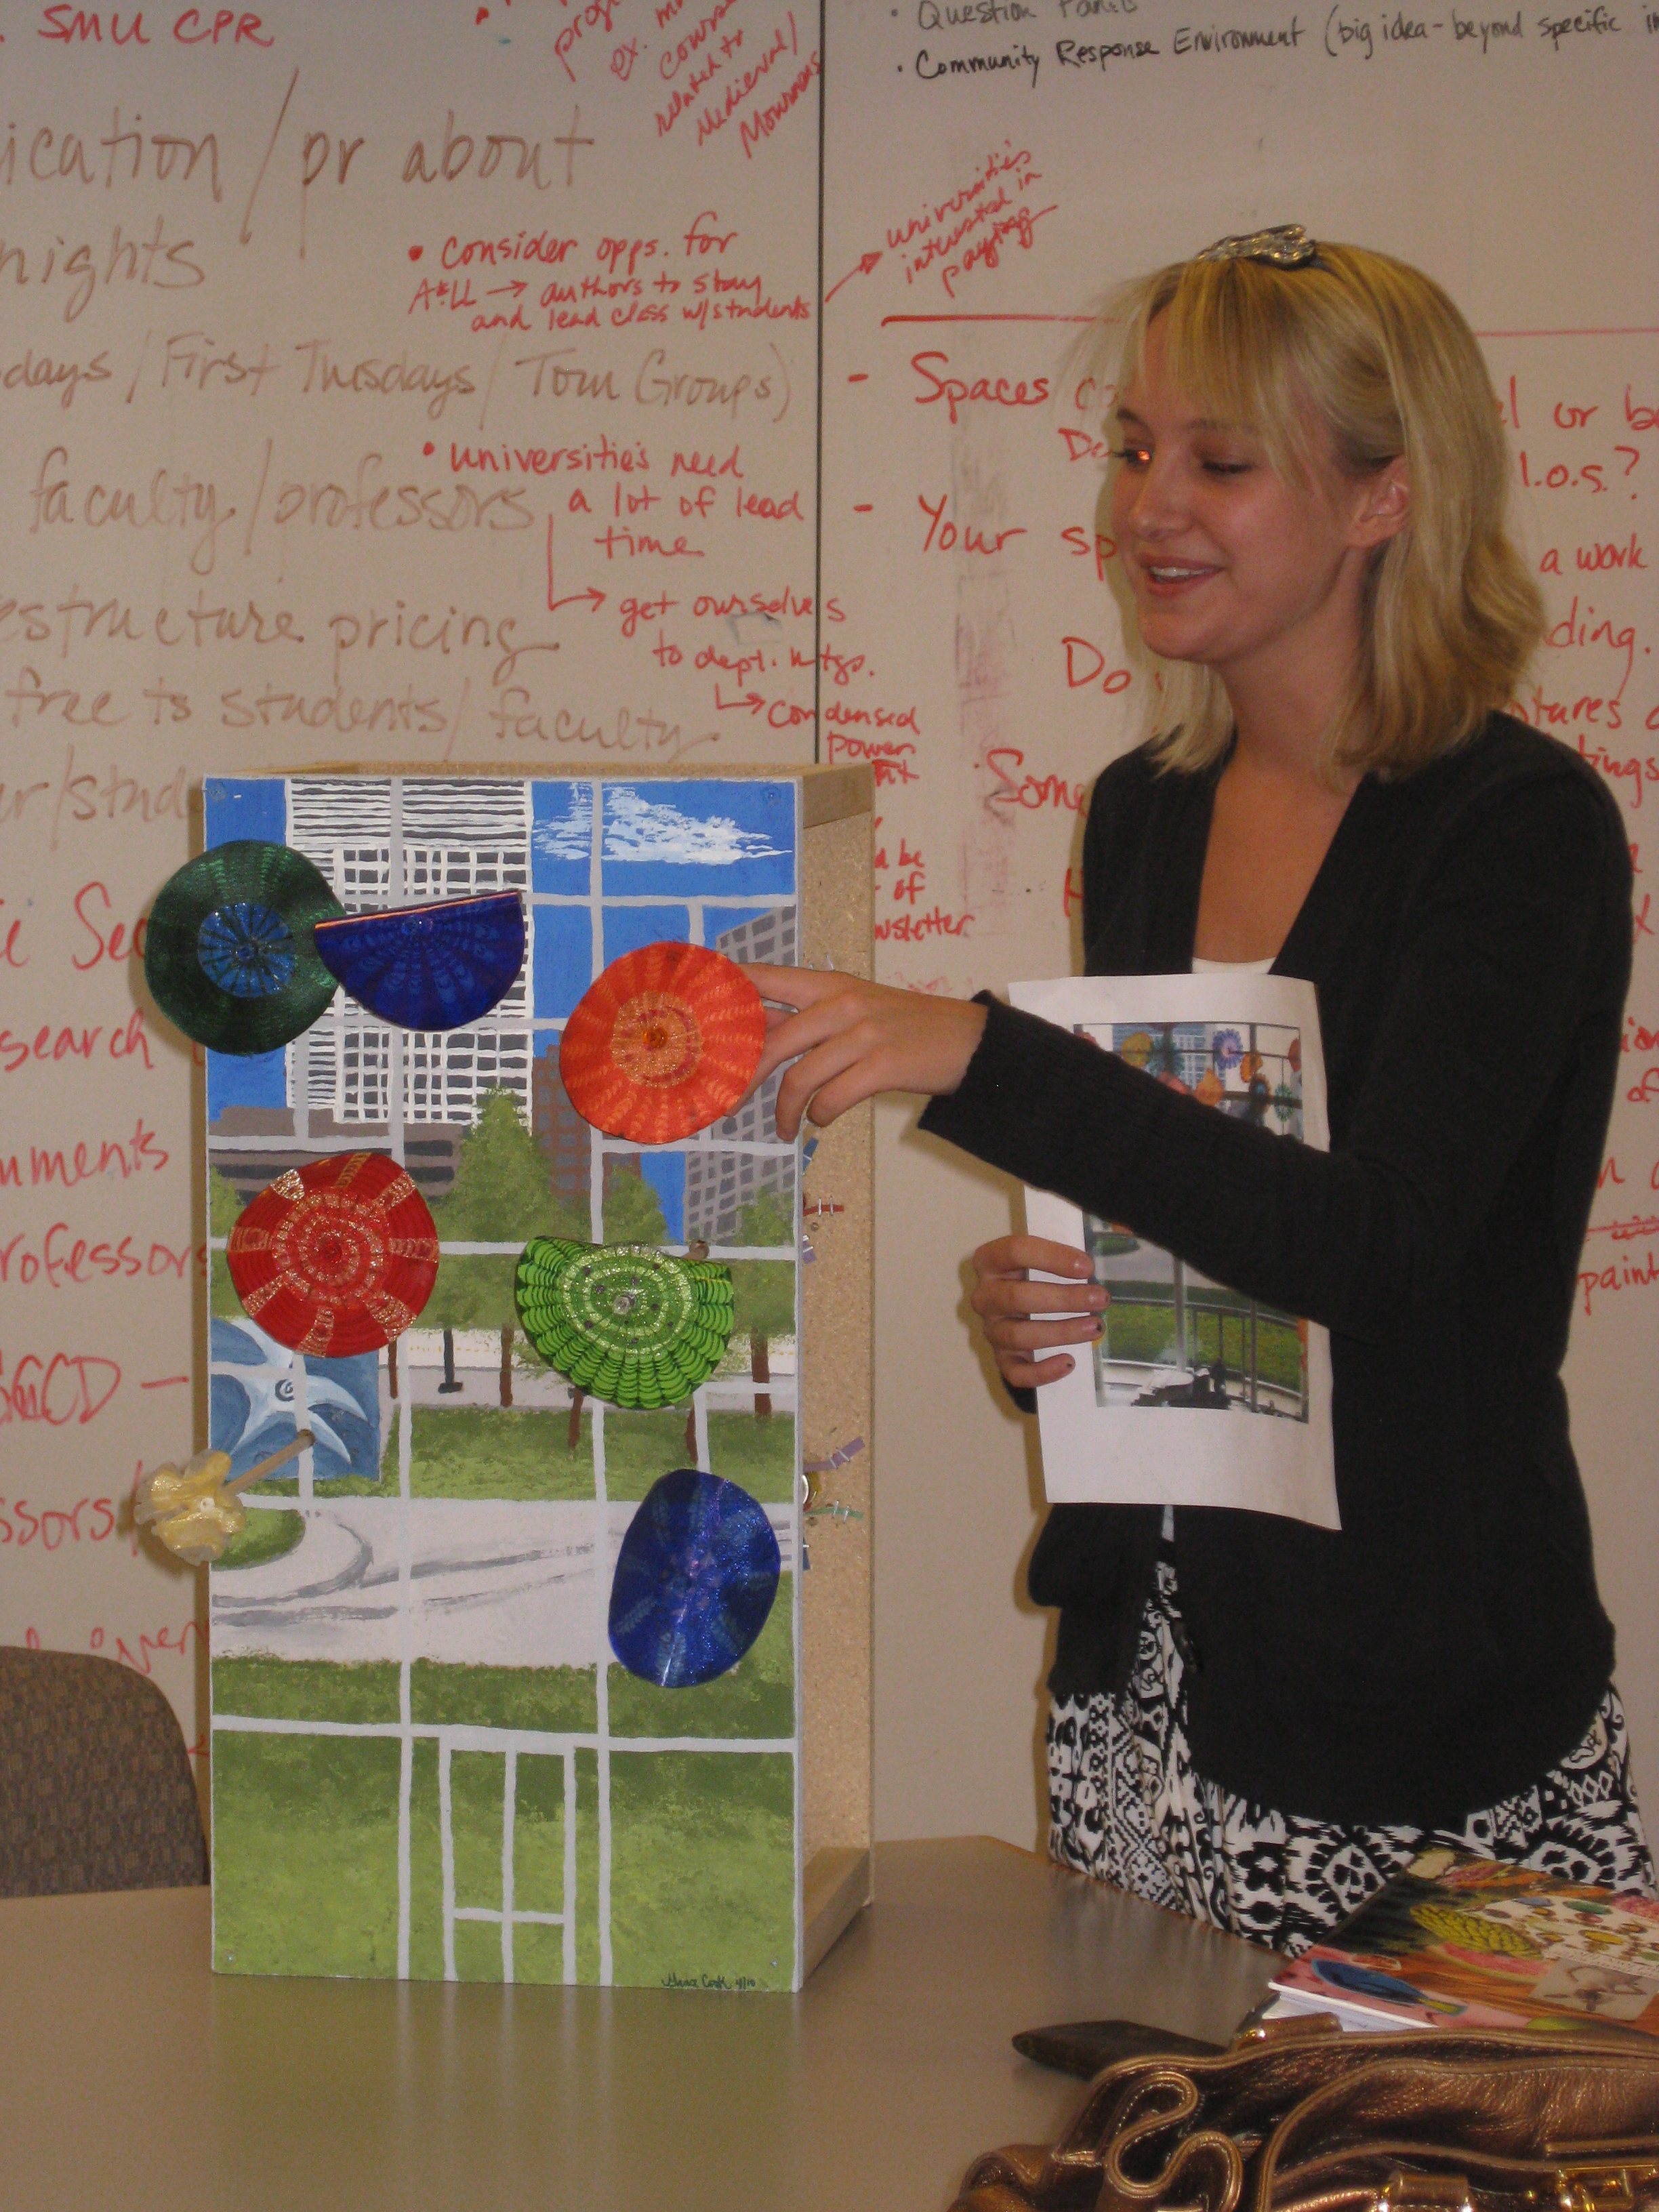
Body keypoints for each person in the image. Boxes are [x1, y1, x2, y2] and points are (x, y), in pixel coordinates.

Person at [746, 228, 1655, 1954]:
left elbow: (1380, 1249)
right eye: (1134, 447)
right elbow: (1202, 1199)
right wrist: (1067, 1318)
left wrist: (984, 1053)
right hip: (1147, 1697)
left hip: (1421, 1728)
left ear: (1385, 496)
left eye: (1221, 462)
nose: (1147, 507)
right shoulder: (1144, 811)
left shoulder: (1517, 830)